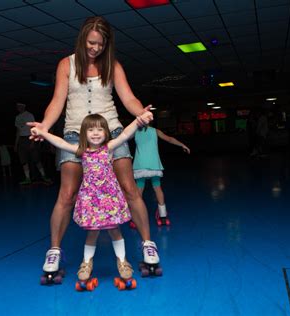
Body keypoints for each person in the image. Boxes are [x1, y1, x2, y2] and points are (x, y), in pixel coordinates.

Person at [28, 16, 161, 275]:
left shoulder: (113, 65)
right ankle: (54, 251)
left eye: (100, 44)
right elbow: (57, 100)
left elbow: (128, 97)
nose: (95, 48)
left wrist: (141, 113)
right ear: (82, 39)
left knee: (129, 188)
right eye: (91, 43)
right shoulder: (66, 65)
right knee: (67, 195)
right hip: (74, 134)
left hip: (110, 131)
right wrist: (44, 126)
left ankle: (148, 244)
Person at [32, 112, 152, 289]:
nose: (96, 133)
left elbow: (126, 133)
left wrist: (138, 120)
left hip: (109, 198)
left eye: (100, 129)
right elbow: (61, 143)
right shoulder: (82, 151)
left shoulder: (109, 148)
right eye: (91, 130)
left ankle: (122, 261)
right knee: (92, 233)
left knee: (115, 230)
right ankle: (86, 263)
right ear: (83, 133)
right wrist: (43, 133)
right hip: (91, 199)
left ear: (106, 132)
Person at [132, 126, 190, 226]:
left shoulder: (133, 131)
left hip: (140, 165)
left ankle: (136, 218)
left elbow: (121, 139)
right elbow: (169, 139)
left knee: (139, 190)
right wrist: (182, 145)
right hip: (154, 164)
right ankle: (163, 217)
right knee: (157, 188)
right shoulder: (155, 131)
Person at [14, 102, 50, 185]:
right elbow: (18, 131)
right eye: (17, 106)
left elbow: (34, 127)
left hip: (30, 137)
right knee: (23, 160)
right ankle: (27, 178)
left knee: (36, 159)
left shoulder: (29, 115)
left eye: (20, 106)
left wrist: (33, 142)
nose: (18, 107)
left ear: (24, 106)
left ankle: (44, 176)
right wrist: (16, 144)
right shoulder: (17, 117)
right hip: (22, 139)